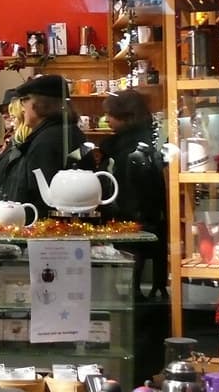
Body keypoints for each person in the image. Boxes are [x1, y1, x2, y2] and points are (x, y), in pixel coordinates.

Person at [95, 89, 168, 299]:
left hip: (131, 215)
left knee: (130, 260)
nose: (106, 119)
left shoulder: (128, 148)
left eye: (110, 114)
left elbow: (130, 187)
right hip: (144, 214)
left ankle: (132, 296)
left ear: (125, 115)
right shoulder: (145, 142)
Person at [0, 75, 85, 214]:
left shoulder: (46, 140)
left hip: (42, 228)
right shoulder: (66, 133)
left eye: (24, 101)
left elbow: (38, 196)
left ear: (42, 104)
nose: (22, 109)